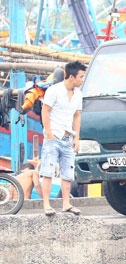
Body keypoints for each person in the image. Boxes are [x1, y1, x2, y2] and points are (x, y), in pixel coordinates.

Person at [39, 60, 86, 216]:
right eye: (80, 76)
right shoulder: (54, 91)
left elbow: (77, 115)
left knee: (68, 172)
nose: (82, 79)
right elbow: (45, 111)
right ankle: (46, 204)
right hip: (54, 136)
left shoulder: (78, 94)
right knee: (48, 170)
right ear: (71, 76)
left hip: (68, 138)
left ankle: (66, 203)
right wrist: (49, 133)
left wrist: (76, 136)